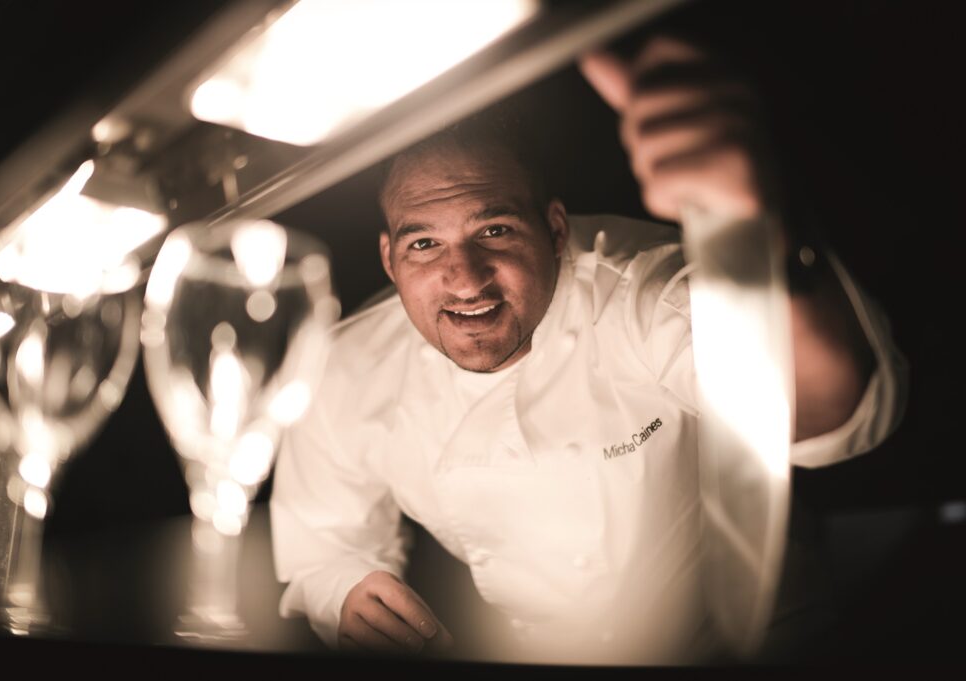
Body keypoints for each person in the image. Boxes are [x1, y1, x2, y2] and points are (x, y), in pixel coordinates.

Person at [268, 37, 907, 664]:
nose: (464, 279)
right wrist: (345, 594)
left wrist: (758, 227)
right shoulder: (344, 367)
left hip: (758, 641)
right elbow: (322, 545)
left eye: (495, 230)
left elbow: (820, 414)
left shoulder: (639, 293)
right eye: (424, 245)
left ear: (554, 229)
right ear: (388, 258)